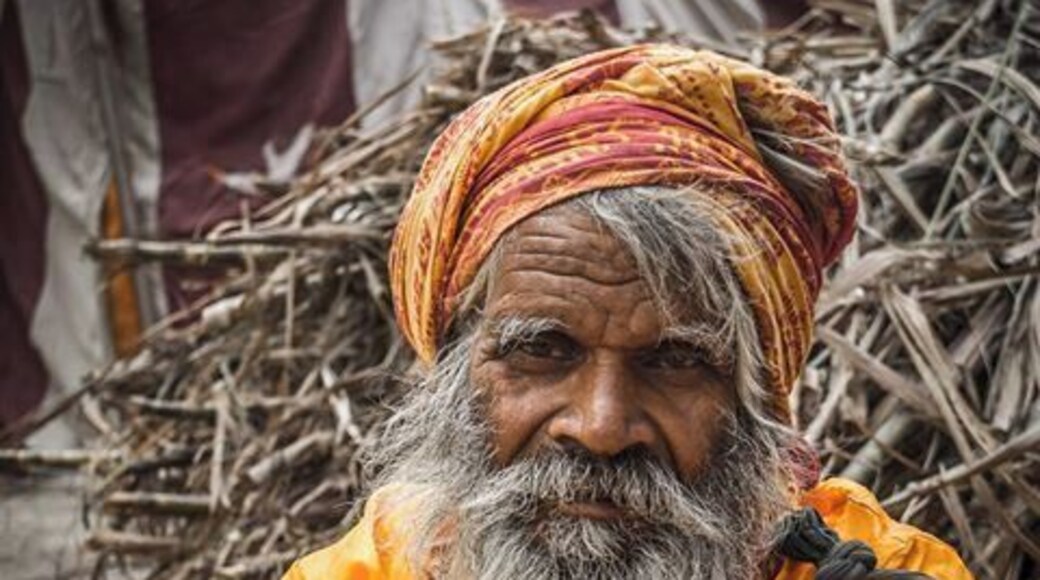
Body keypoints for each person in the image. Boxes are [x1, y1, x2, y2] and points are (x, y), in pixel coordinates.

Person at [303, 44, 974, 579]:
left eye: (677, 361)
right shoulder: (370, 572)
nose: (601, 428)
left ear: (757, 396)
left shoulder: (866, 565)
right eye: (542, 349)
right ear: (451, 369)